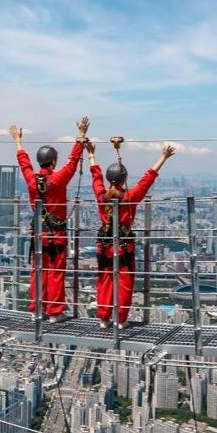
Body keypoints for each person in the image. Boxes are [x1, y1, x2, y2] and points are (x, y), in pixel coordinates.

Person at [89, 137, 175, 325]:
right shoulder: (129, 196)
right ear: (124, 179)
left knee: (104, 280)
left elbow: (96, 177)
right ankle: (121, 320)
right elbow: (147, 179)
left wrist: (91, 154)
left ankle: (104, 318)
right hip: (123, 246)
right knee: (124, 282)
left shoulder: (101, 195)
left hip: (104, 245)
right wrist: (163, 157)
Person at [11, 118, 89, 318]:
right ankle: (54, 312)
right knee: (55, 273)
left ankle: (37, 309)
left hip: (38, 233)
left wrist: (18, 141)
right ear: (53, 161)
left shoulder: (32, 180)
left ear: (40, 161)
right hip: (56, 234)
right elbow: (72, 162)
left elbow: (24, 164)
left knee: (38, 271)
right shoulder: (57, 179)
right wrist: (81, 136)